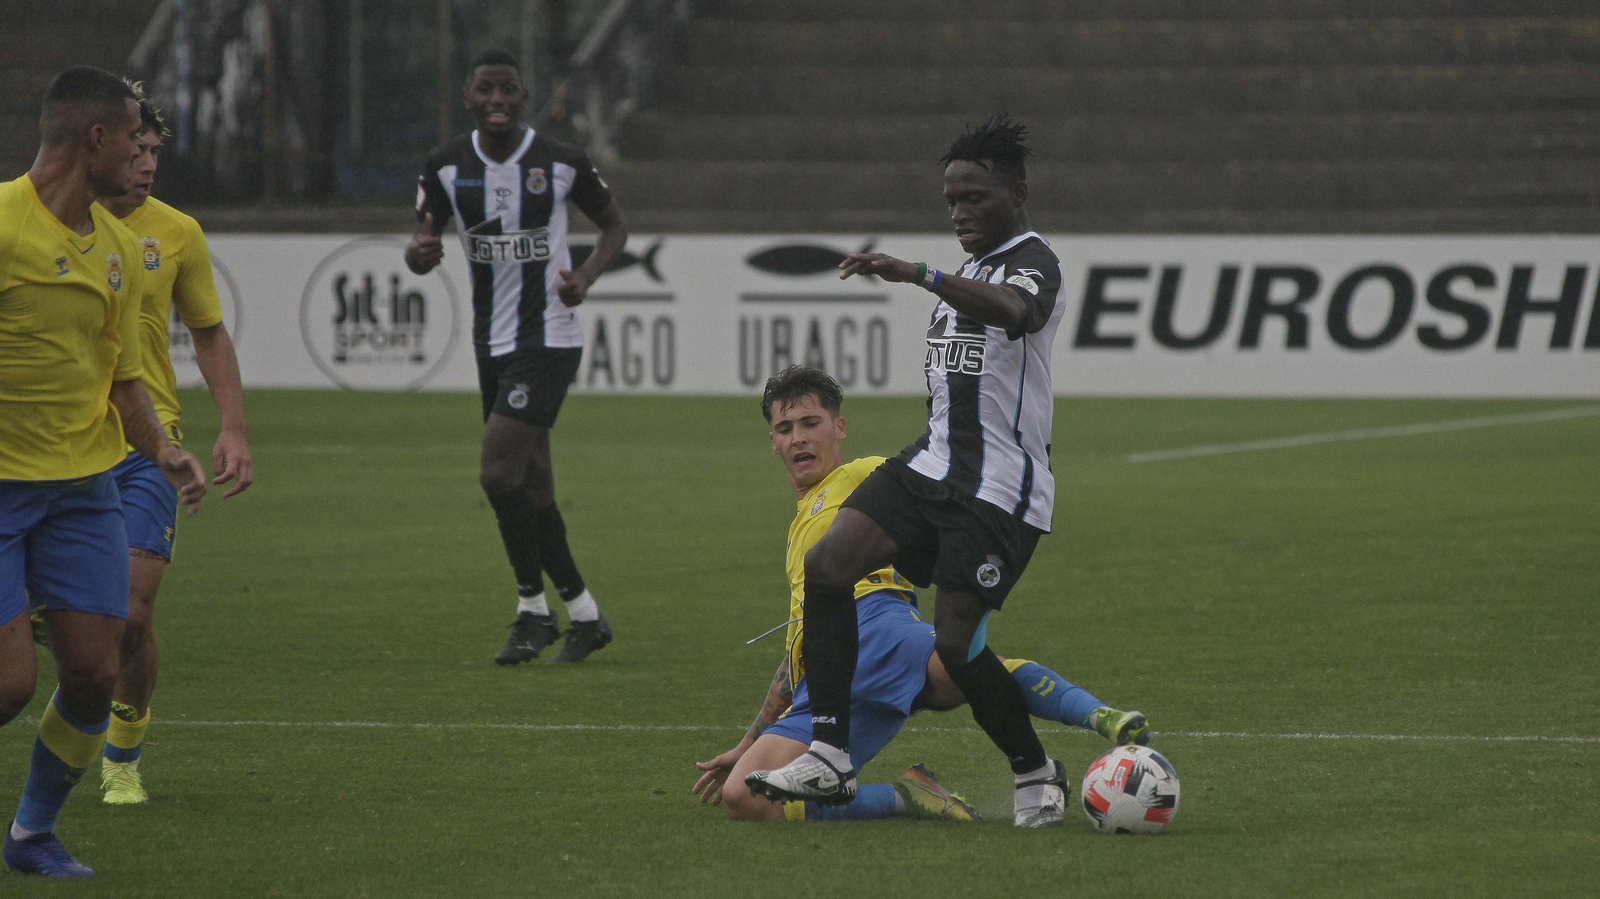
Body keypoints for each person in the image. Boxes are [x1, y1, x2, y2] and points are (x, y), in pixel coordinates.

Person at [746, 116, 1115, 827]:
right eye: (951, 201)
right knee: (828, 565)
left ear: (1017, 194)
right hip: (931, 464)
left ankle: (1034, 768)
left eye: (974, 198)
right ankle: (830, 753)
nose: (959, 213)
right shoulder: (969, 272)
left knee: (956, 648)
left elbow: (1016, 312)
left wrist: (921, 274)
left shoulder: (1034, 261)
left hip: (997, 488)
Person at [694, 366, 1147, 824]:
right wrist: (749, 742)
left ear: (839, 427)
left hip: (881, 630)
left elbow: (937, 479)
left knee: (967, 664)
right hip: (824, 679)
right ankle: (908, 797)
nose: (798, 439)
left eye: (811, 423)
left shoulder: (866, 475)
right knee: (743, 797)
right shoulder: (797, 530)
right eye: (785, 429)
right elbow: (813, 636)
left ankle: (1097, 715)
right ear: (773, 442)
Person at [0, 65, 206, 877]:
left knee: (93, 671)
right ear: (96, 139)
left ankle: (31, 835)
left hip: (84, 490)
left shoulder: (119, 248)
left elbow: (123, 380)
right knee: (10, 684)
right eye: (132, 139)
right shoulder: (4, 223)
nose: (143, 154)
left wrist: (162, 448)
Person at [404, 49, 625, 666]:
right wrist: (418, 255)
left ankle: (533, 610)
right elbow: (421, 244)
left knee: (498, 474)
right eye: (486, 90)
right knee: (534, 485)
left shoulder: (560, 162)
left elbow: (615, 227)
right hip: (492, 343)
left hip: (549, 338)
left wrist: (586, 276)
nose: (497, 100)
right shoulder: (446, 165)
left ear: (524, 97)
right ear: (468, 97)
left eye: (508, 89)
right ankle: (585, 616)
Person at [90, 89, 253, 805]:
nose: (148, 163)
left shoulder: (177, 232)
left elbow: (209, 333)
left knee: (131, 616)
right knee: (64, 620)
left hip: (149, 444)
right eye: (138, 148)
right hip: (57, 442)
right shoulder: (50, 223)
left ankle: (122, 754)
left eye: (155, 150)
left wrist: (234, 426)